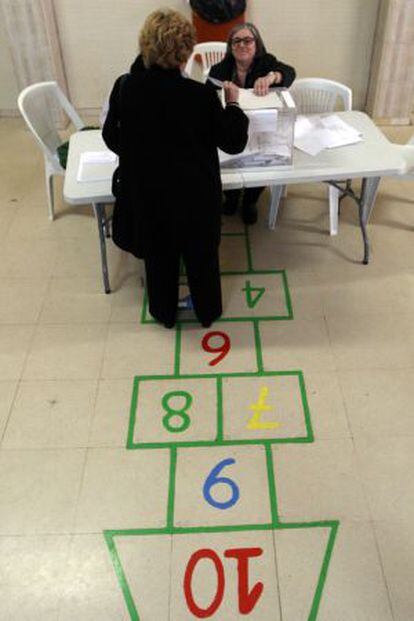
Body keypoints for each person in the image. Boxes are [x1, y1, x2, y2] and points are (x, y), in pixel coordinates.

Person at [103, 9, 248, 329]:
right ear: (185, 52)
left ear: (145, 47)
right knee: (202, 259)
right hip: (196, 197)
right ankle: (207, 312)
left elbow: (112, 137)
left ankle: (164, 313)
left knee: (159, 259)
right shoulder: (200, 97)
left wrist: (143, 156)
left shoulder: (125, 88)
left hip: (149, 197)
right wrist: (233, 104)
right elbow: (234, 142)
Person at [208, 22, 296, 224]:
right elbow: (208, 96)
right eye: (236, 41)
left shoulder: (266, 63)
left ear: (256, 44)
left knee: (261, 163)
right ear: (230, 47)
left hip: (261, 131)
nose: (242, 45)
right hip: (232, 130)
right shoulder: (220, 69)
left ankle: (250, 201)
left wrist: (273, 76)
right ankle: (231, 197)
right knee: (229, 160)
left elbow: (290, 72)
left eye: (248, 40)